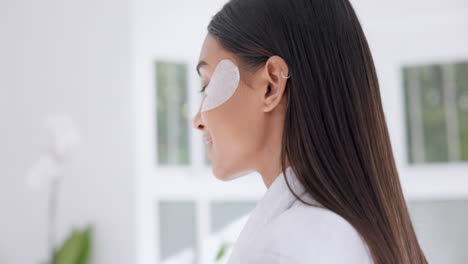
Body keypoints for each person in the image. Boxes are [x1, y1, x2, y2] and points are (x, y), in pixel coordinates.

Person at [192, 0, 428, 263]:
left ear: (271, 85)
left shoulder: (287, 248)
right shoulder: (351, 234)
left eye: (207, 85)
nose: (198, 119)